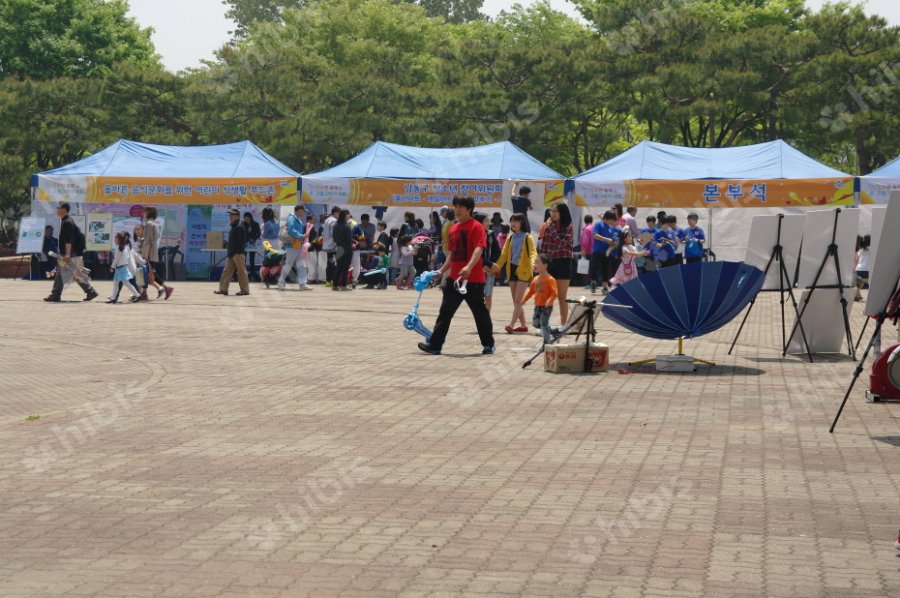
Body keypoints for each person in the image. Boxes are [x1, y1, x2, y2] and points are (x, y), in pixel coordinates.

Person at [418, 196, 495, 355]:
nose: (457, 210)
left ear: (469, 209)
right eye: (456, 206)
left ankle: (488, 344)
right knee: (445, 313)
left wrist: (469, 266)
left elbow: (478, 249)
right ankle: (435, 346)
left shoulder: (476, 227)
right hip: (454, 280)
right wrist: (441, 271)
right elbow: (452, 254)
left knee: (480, 314)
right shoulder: (453, 228)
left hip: (473, 280)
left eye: (461, 207)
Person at [44, 202, 98, 302]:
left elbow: (69, 240)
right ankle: (90, 291)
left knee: (73, 273)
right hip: (72, 253)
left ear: (64, 209)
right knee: (69, 273)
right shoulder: (66, 221)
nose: (57, 209)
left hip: (71, 254)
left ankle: (56, 294)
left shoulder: (67, 222)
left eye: (58, 208)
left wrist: (68, 254)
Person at [492, 213, 536, 334]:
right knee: (516, 301)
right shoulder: (510, 238)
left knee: (518, 300)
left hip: (524, 270)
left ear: (522, 223)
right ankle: (523, 325)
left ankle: (511, 324)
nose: (513, 224)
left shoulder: (528, 237)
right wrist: (495, 267)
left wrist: (533, 264)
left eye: (516, 221)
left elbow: (533, 253)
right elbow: (504, 255)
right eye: (512, 221)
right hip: (511, 270)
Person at [541, 202, 574, 324]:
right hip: (550, 263)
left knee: (562, 296)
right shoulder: (548, 227)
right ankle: (543, 324)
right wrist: (540, 263)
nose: (552, 214)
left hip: (564, 262)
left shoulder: (569, 227)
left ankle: (563, 324)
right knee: (546, 294)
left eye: (555, 211)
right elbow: (544, 246)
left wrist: (552, 228)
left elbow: (561, 244)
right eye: (551, 211)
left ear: (562, 213)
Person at [522, 254, 559, 344]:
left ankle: (546, 343)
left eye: (537, 262)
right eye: (534, 262)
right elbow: (531, 291)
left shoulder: (550, 279)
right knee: (535, 323)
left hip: (546, 307)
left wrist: (549, 300)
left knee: (543, 324)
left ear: (545, 265)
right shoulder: (535, 279)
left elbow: (555, 293)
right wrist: (524, 299)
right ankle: (553, 332)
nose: (535, 264)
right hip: (537, 306)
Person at [214, 208, 250, 296]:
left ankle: (245, 290)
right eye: (230, 215)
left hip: (238, 254)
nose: (230, 216)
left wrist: (238, 252)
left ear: (237, 216)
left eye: (232, 215)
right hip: (231, 254)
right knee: (226, 272)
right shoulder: (234, 226)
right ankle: (223, 289)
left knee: (241, 272)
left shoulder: (239, 227)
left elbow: (241, 242)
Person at [142, 207, 174, 300]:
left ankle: (165, 288)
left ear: (149, 212)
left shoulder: (149, 224)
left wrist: (145, 254)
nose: (143, 213)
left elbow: (149, 240)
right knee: (149, 273)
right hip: (153, 252)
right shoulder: (154, 224)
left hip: (149, 253)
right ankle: (145, 293)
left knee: (148, 273)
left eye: (144, 211)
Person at [278, 204, 312, 291]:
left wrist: (301, 237)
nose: (304, 212)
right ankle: (281, 282)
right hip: (292, 245)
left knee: (301, 265)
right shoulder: (292, 218)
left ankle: (302, 283)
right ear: (299, 210)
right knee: (289, 264)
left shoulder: (297, 219)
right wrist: (301, 235)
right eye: (303, 210)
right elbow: (291, 230)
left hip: (297, 245)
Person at [473, 212, 501, 312]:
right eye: (486, 221)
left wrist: (490, 265)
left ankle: (486, 318)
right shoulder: (473, 235)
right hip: (476, 270)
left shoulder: (490, 234)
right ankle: (480, 318)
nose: (489, 223)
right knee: (478, 297)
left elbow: (497, 252)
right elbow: (475, 254)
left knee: (488, 295)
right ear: (479, 222)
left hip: (489, 270)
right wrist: (486, 264)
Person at [107, 232, 141, 304]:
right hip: (122, 267)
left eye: (115, 239)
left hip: (120, 268)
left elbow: (116, 259)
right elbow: (127, 257)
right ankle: (113, 299)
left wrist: (112, 267)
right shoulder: (125, 247)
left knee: (124, 283)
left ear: (119, 240)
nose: (114, 240)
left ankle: (137, 295)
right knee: (117, 283)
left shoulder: (119, 248)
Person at [590, 210, 618, 295]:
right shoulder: (598, 224)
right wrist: (606, 239)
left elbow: (612, 239)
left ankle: (605, 287)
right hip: (597, 250)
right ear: (608, 218)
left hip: (606, 252)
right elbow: (595, 235)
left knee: (606, 269)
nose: (612, 222)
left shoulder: (610, 228)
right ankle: (593, 283)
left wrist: (615, 243)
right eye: (612, 219)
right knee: (594, 268)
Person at [332, 209, 354, 291]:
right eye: (348, 215)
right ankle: (344, 285)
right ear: (345, 216)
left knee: (338, 267)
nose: (349, 216)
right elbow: (349, 239)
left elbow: (334, 238)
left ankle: (335, 285)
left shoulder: (335, 226)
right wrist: (355, 242)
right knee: (345, 268)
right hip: (347, 249)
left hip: (338, 248)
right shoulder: (347, 226)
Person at [322, 206, 340, 287]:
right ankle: (331, 280)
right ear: (336, 213)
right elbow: (334, 233)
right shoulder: (334, 221)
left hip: (327, 245)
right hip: (332, 245)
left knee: (330, 263)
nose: (339, 215)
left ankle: (328, 281)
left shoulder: (327, 220)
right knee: (332, 263)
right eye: (339, 213)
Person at [243, 212, 261, 280]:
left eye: (247, 218)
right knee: (243, 259)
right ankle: (243, 274)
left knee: (252, 260)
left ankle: (252, 274)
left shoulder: (255, 224)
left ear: (250, 218)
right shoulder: (243, 224)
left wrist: (254, 239)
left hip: (252, 244)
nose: (246, 220)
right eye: (245, 218)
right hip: (244, 244)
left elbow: (258, 233)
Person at [580, 215, 594, 287]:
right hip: (595, 251)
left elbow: (585, 241)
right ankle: (593, 282)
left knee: (586, 268)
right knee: (593, 268)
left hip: (588, 252)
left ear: (585, 221)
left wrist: (583, 250)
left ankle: (588, 283)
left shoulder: (586, 229)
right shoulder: (594, 228)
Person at [855, 234, 871, 301]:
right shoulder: (872, 249)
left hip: (859, 270)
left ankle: (857, 296)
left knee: (857, 284)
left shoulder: (861, 250)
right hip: (868, 270)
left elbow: (857, 259)